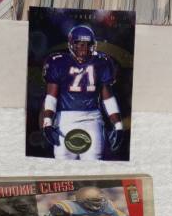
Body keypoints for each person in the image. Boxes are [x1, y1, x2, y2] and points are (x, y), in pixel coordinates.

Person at [40, 25, 124, 160]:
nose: (84, 49)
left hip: (92, 118)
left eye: (88, 44)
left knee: (92, 163)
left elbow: (107, 97)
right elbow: (51, 96)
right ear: (71, 44)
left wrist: (118, 125)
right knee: (63, 163)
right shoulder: (58, 62)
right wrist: (47, 121)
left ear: (93, 45)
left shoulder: (102, 62)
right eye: (80, 44)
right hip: (64, 119)